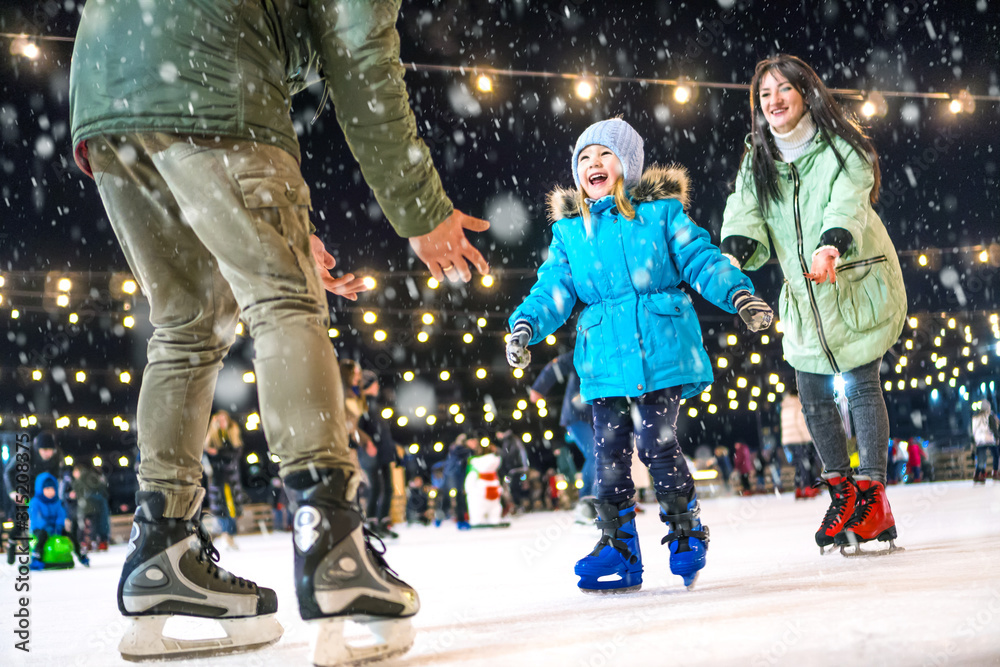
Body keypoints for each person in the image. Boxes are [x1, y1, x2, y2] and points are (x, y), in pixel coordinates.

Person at [69, 1, 491, 660]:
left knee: (186, 323)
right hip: (205, 71)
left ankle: (163, 547)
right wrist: (420, 206)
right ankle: (332, 542)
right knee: (284, 303)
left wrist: (280, 231)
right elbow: (360, 57)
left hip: (108, 81)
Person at [506, 118, 773, 593]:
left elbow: (702, 259)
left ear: (626, 164)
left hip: (661, 350)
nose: (594, 164)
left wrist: (738, 295)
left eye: (605, 155)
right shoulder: (571, 232)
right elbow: (553, 289)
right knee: (608, 454)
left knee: (654, 444)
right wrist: (526, 324)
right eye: (584, 158)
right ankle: (619, 547)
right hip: (605, 359)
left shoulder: (662, 214)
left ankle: (686, 531)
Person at [720, 55, 907, 555]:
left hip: (851, 279)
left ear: (805, 93)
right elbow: (745, 209)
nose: (774, 101)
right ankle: (842, 493)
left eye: (783, 90)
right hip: (804, 296)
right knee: (813, 391)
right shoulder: (758, 159)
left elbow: (848, 197)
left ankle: (873, 495)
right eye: (765, 95)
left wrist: (832, 243)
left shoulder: (841, 147)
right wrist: (732, 253)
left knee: (863, 385)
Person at [530, 353, 596, 522]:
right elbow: (558, 364)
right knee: (596, 455)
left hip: (600, 413)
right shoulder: (587, 347)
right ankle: (587, 502)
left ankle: (610, 500)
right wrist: (539, 387)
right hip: (578, 414)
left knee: (609, 454)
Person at [358, 371, 400, 538]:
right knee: (376, 488)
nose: (378, 387)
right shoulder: (362, 405)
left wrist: (391, 449)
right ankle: (373, 523)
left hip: (382, 451)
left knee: (387, 488)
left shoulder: (373, 404)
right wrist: (367, 443)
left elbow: (381, 430)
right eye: (375, 384)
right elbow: (358, 428)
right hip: (373, 453)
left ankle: (382, 523)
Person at [203, 411, 247, 550]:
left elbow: (232, 457)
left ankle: (229, 535)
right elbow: (207, 457)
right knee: (221, 509)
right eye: (218, 420)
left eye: (224, 420)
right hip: (217, 480)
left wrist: (218, 454)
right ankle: (226, 535)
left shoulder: (233, 437)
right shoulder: (211, 439)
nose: (221, 423)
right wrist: (216, 456)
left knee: (231, 508)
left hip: (230, 479)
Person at [28, 472, 89, 569]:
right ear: (41, 489)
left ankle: (80, 554)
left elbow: (61, 514)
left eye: (52, 489)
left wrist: (59, 525)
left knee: (70, 536)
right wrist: (44, 526)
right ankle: (37, 557)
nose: (50, 492)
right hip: (39, 527)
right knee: (42, 537)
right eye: (47, 489)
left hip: (55, 527)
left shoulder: (56, 502)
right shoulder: (35, 502)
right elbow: (36, 517)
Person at [781, 390, 821, 499]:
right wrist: (809, 438)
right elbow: (801, 424)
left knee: (799, 465)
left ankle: (798, 488)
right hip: (799, 439)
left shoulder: (785, 406)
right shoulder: (797, 404)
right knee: (806, 464)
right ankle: (808, 487)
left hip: (788, 440)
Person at [972, 402, 1000, 483]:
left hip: (979, 440)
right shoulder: (989, 416)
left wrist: (973, 440)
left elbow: (973, 430)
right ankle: (995, 472)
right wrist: (997, 437)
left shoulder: (975, 417)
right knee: (995, 455)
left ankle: (978, 474)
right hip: (989, 438)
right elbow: (993, 427)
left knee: (981, 458)